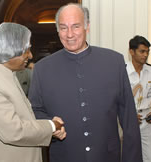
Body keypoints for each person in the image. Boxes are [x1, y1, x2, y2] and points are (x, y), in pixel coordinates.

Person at [28, 3, 142, 162]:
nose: (69, 34)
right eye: (63, 27)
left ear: (87, 27)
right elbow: (35, 110)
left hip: (107, 156)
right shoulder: (42, 69)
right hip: (64, 155)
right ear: (57, 30)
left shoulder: (113, 62)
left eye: (75, 26)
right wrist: (51, 126)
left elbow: (129, 120)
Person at [0, 22, 66, 162]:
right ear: (11, 49)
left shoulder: (7, 74)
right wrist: (51, 126)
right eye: (27, 50)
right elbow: (13, 130)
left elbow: (22, 118)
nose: (31, 55)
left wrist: (48, 125)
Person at [126, 35, 151, 162]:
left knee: (150, 157)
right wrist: (128, 114)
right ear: (131, 51)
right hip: (126, 121)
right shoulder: (122, 71)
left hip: (146, 121)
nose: (145, 55)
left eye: (147, 51)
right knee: (128, 156)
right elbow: (115, 99)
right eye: (142, 51)